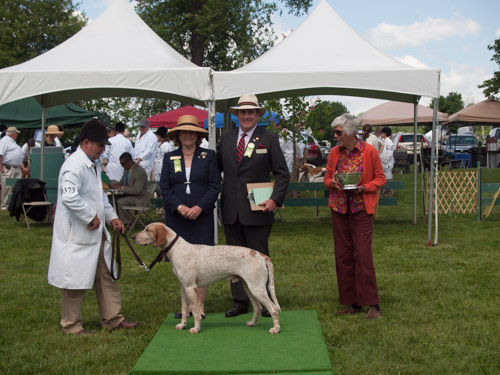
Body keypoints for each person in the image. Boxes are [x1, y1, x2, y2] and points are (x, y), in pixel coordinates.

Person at [47, 119, 139, 335]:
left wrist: (112, 217)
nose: (103, 150)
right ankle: (71, 325)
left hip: (94, 234)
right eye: (100, 145)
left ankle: (113, 319)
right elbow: (70, 197)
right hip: (77, 235)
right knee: (74, 282)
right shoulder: (73, 165)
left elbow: (99, 198)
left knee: (106, 274)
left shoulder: (92, 164)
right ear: (86, 142)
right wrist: (90, 216)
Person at [216, 94, 289, 318]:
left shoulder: (269, 138)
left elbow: (282, 174)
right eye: (242, 112)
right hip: (231, 210)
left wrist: (275, 199)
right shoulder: (226, 139)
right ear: (236, 115)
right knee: (233, 260)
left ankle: (265, 301)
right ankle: (240, 302)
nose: (246, 116)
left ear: (258, 114)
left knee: (259, 257)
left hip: (259, 209)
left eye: (251, 112)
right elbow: (215, 169)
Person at [323, 113, 386, 319]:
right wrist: (331, 183)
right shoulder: (334, 153)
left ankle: (373, 304)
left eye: (338, 132)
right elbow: (327, 177)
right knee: (343, 257)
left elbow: (380, 179)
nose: (335, 136)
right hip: (339, 208)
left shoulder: (369, 152)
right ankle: (353, 303)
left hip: (360, 210)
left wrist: (364, 188)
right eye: (335, 132)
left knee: (363, 255)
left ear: (350, 132)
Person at [160, 115, 220, 318]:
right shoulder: (169, 158)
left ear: (197, 135)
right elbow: (164, 187)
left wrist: (198, 207)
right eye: (183, 132)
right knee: (182, 263)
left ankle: (199, 307)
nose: (187, 135)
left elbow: (214, 186)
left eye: (191, 132)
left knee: (202, 263)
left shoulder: (208, 156)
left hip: (201, 216)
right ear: (178, 136)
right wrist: (178, 207)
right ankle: (186, 307)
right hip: (177, 218)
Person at [109, 152, 149, 227]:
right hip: (130, 196)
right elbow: (122, 182)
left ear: (130, 162)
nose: (122, 166)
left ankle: (128, 223)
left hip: (140, 199)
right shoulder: (127, 169)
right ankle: (115, 220)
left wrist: (121, 187)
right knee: (110, 198)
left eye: (123, 164)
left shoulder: (139, 172)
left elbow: (137, 190)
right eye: (121, 164)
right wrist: (112, 183)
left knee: (121, 202)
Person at [0, 127, 27, 210]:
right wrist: (1, 167)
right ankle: (4, 205)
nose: (17, 135)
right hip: (8, 168)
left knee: (16, 187)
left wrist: (22, 168)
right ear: (13, 133)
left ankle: (13, 204)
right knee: (7, 187)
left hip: (16, 168)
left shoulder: (13, 142)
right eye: (16, 133)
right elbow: (0, 154)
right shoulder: (4, 141)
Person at [379, 127, 395, 196]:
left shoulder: (389, 142)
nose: (381, 134)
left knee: (388, 179)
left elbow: (389, 154)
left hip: (387, 164)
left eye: (382, 132)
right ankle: (384, 192)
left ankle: (389, 193)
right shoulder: (384, 141)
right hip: (383, 163)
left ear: (385, 133)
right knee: (383, 178)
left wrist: (383, 160)